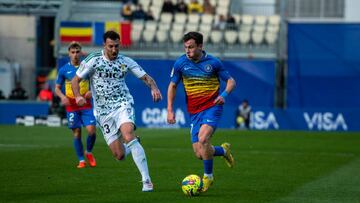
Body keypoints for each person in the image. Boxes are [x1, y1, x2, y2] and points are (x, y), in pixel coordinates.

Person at [71, 31, 162, 192]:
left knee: (128, 135)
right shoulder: (93, 60)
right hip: (103, 113)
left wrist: (154, 87)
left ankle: (146, 181)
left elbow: (146, 77)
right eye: (111, 46)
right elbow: (75, 80)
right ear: (104, 46)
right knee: (119, 155)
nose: (114, 50)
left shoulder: (125, 61)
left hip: (122, 104)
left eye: (117, 46)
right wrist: (78, 96)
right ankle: (134, 144)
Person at [167, 32, 236, 192]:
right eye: (185, 47)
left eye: (191, 47)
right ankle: (223, 150)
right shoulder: (180, 63)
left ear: (200, 46)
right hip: (194, 112)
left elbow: (231, 81)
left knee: (203, 138)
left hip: (212, 107)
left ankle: (208, 178)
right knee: (200, 153)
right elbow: (172, 86)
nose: (187, 51)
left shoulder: (213, 62)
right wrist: (170, 109)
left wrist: (224, 95)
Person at [55, 42, 97, 169]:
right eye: (72, 52)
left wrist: (92, 92)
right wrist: (62, 97)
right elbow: (57, 88)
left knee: (92, 131)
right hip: (71, 105)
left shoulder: (87, 67)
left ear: (81, 52)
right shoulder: (63, 70)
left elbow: (96, 83)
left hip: (85, 103)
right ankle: (81, 160)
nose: (75, 55)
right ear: (69, 53)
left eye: (77, 52)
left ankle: (88, 152)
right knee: (77, 133)